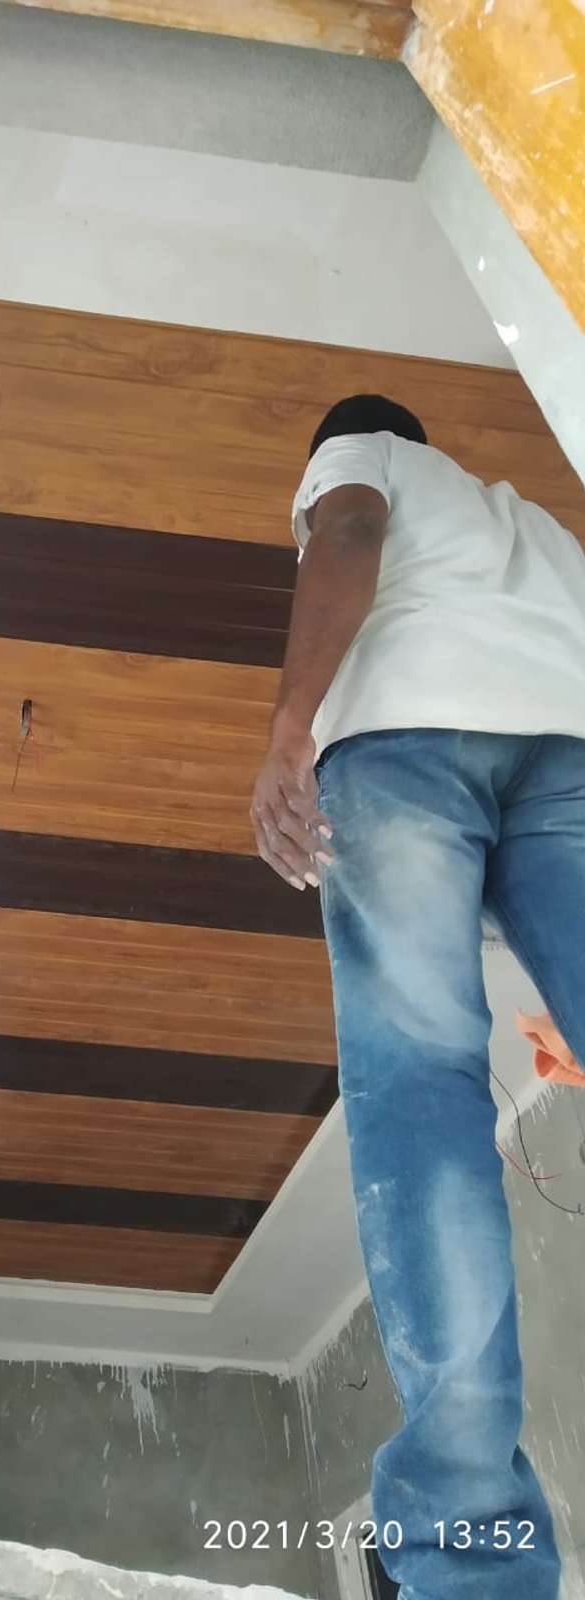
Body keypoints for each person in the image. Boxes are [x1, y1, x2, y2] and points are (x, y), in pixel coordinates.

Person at [250, 393, 585, 1600]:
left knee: (424, 1109)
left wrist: (291, 727)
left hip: (401, 749)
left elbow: (346, 532)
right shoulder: (538, 527)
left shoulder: (362, 457)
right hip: (571, 752)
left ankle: (471, 1556)